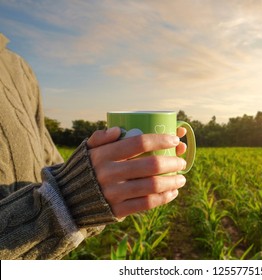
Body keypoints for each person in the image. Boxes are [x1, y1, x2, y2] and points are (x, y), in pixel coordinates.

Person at [0, 32, 188, 259]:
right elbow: (63, 194)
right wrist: (71, 201)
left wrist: (92, 180)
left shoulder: (17, 67)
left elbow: (47, 161)